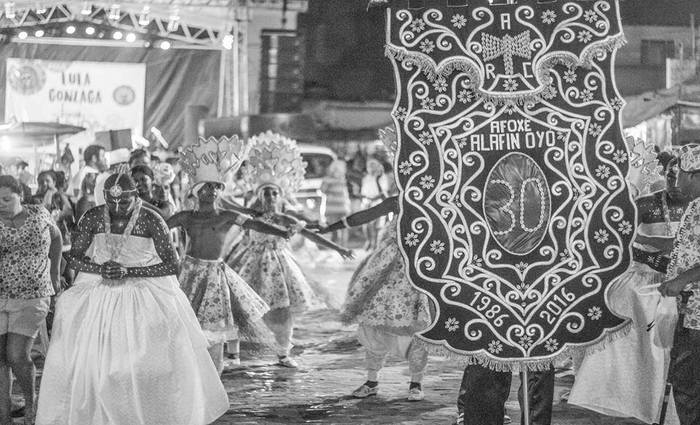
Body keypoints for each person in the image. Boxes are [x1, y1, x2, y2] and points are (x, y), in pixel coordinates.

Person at [36, 170, 229, 425]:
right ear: (103, 196)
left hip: (144, 293)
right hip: (98, 293)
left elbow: (172, 264)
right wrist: (99, 268)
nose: (116, 207)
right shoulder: (92, 217)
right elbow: (75, 256)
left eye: (123, 202)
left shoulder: (151, 220)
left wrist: (130, 271)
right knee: (89, 360)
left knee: (145, 364)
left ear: (135, 196)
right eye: (110, 201)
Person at [569, 154, 688, 423]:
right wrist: (648, 253)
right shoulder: (645, 204)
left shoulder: (696, 204)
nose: (675, 181)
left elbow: (683, 246)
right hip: (647, 280)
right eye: (670, 175)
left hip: (687, 283)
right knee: (633, 306)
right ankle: (631, 397)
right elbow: (616, 237)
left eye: (682, 175)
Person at [228, 131, 354, 368]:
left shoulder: (286, 218)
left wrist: (338, 248)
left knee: (283, 310)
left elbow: (308, 234)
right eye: (266, 191)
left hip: (280, 269)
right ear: (258, 194)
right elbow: (228, 210)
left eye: (275, 192)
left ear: (281, 195)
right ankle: (234, 354)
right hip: (249, 264)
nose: (271, 195)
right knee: (240, 308)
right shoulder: (249, 216)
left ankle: (283, 354)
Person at [167, 181, 291, 374]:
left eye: (216, 187)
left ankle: (213, 371)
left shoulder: (227, 216)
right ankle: (187, 369)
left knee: (214, 327)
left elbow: (254, 223)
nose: (213, 191)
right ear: (196, 192)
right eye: (207, 187)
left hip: (215, 274)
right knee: (184, 322)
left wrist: (281, 232)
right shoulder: (185, 216)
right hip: (189, 272)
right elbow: (160, 227)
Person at [318, 195, 431, 401]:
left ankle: (416, 384)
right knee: (373, 322)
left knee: (417, 326)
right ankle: (371, 382)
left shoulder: (435, 202)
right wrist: (329, 228)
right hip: (383, 271)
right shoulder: (398, 200)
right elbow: (364, 216)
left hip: (416, 271)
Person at [0, 175, 63, 425]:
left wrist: (55, 272)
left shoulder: (39, 213)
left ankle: (31, 403)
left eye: (6, 199)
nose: (1, 204)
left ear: (20, 196)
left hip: (33, 295)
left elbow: (57, 238)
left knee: (16, 355)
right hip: (1, 295)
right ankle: (4, 415)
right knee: (0, 358)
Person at [658, 144, 700, 425]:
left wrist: (681, 280)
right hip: (690, 313)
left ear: (695, 174)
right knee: (687, 385)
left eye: (679, 174)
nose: (675, 181)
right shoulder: (695, 205)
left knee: (688, 386)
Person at [320, 160, 351, 245]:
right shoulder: (328, 180)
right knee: (334, 227)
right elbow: (322, 190)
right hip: (333, 207)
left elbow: (345, 193)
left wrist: (348, 205)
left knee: (343, 226)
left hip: (341, 207)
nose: (338, 172)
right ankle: (336, 244)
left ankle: (343, 245)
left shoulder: (343, 179)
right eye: (337, 170)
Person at [360, 158, 388, 251]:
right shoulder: (366, 178)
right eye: (369, 167)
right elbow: (363, 191)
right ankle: (368, 240)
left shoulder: (381, 177)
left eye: (373, 166)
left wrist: (373, 199)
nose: (371, 168)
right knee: (365, 225)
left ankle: (374, 243)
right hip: (366, 202)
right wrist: (366, 199)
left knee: (374, 225)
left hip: (377, 202)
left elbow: (383, 191)